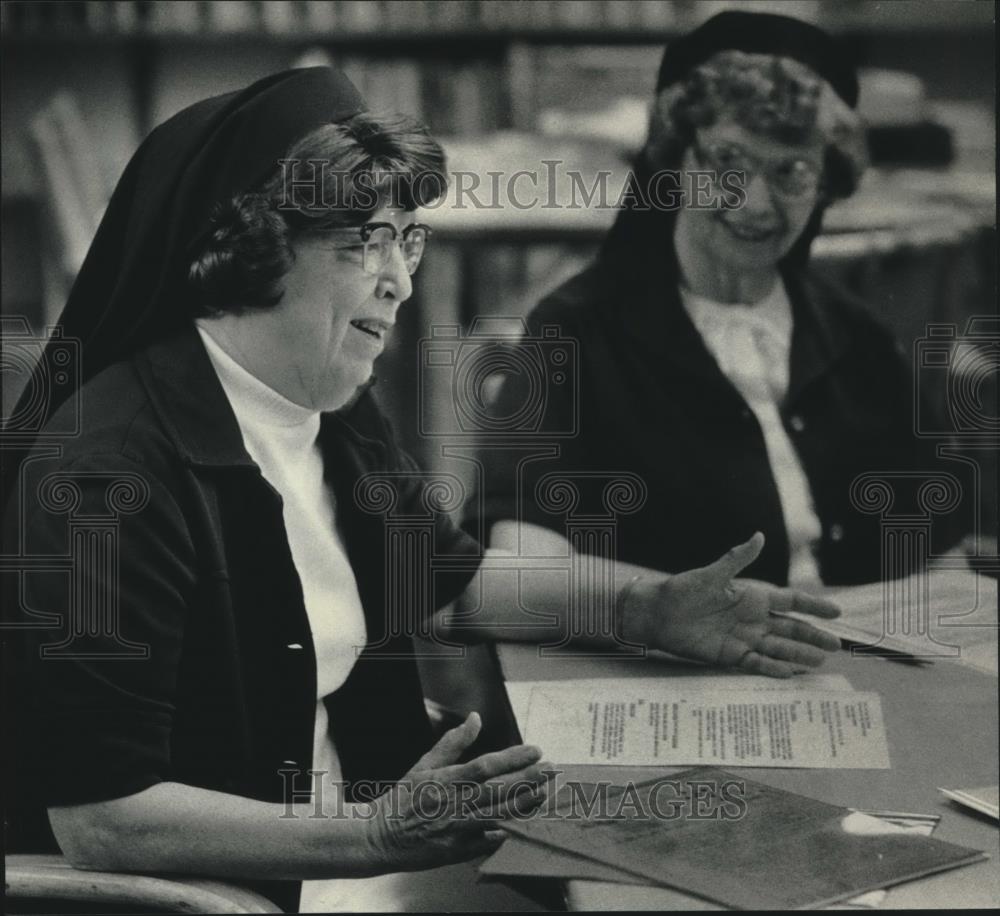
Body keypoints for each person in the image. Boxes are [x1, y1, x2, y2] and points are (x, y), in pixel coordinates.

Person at [2, 67, 840, 914]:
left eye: (410, 240)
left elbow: (450, 582)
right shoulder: (108, 478)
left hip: (361, 844)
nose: (400, 281)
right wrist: (371, 836)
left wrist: (648, 608)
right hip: (254, 889)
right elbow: (104, 821)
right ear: (253, 244)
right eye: (367, 242)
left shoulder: (330, 406)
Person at [470, 10, 968, 589]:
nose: (755, 203)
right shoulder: (576, 331)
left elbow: (940, 555)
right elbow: (521, 562)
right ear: (675, 158)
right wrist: (654, 609)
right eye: (728, 161)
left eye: (793, 171)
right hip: (665, 668)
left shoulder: (858, 337)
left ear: (827, 185)